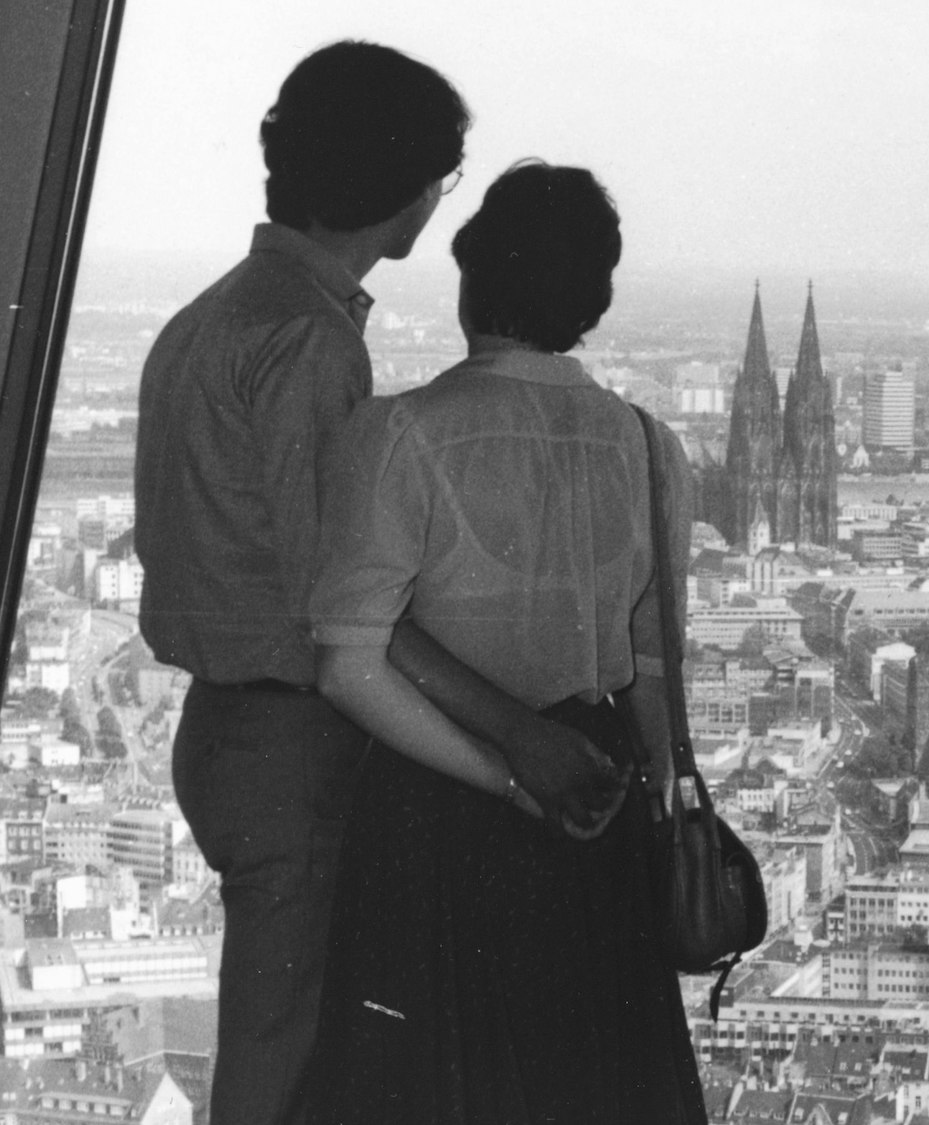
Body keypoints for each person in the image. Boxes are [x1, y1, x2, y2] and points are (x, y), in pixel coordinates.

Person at [132, 43, 625, 1125]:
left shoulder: (209, 317)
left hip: (227, 730)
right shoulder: (307, 342)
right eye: (439, 176)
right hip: (289, 745)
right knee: (292, 1060)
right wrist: (513, 741)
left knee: (284, 1043)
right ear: (392, 180)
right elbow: (338, 606)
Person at [307, 161, 706, 1123]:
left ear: (469, 280)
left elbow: (347, 663)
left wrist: (504, 776)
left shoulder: (399, 433)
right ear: (592, 305)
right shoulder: (650, 447)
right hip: (595, 808)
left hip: (434, 814)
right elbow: (655, 673)